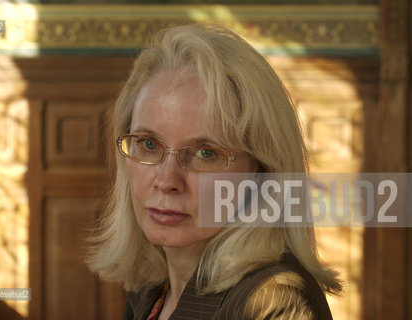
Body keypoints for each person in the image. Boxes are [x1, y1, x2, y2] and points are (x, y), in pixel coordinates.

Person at [88, 24, 341, 320]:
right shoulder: (152, 286)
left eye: (205, 153)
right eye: (148, 144)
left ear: (261, 173)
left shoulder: (274, 301)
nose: (167, 180)